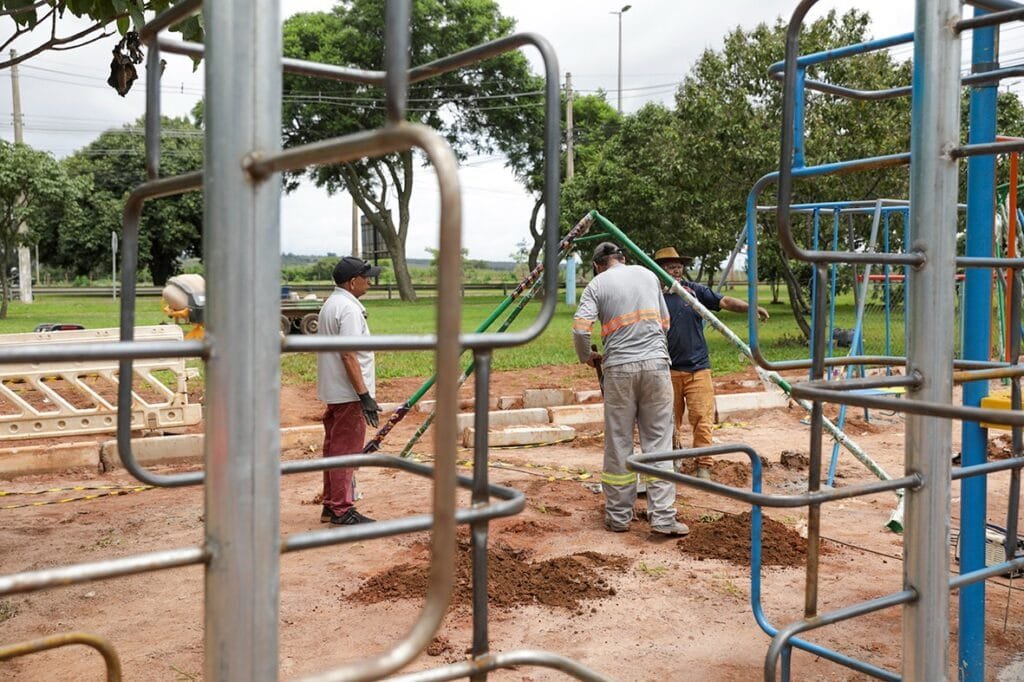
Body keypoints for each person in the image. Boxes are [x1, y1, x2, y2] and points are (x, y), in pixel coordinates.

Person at [572, 242, 689, 536]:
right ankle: (663, 518)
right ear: (623, 259)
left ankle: (619, 517)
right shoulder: (649, 275)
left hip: (619, 370)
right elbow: (665, 322)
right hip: (656, 366)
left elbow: (580, 328)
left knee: (619, 441)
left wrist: (587, 356)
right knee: (659, 443)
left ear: (598, 264)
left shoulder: (597, 285)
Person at [653, 246, 769, 480]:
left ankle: (704, 466)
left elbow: (724, 302)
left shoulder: (693, 291)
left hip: (698, 369)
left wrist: (750, 308)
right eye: (670, 266)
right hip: (667, 370)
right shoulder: (652, 296)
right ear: (659, 270)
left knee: (702, 420)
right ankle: (671, 463)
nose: (676, 270)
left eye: (678, 266)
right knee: (667, 422)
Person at [317, 256, 383, 525]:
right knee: (345, 450)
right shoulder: (349, 309)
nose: (369, 281)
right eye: (366, 277)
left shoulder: (331, 304)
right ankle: (342, 510)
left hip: (335, 390)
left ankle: (331, 505)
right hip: (349, 393)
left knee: (334, 448)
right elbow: (349, 354)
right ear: (353, 281)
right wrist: (364, 395)